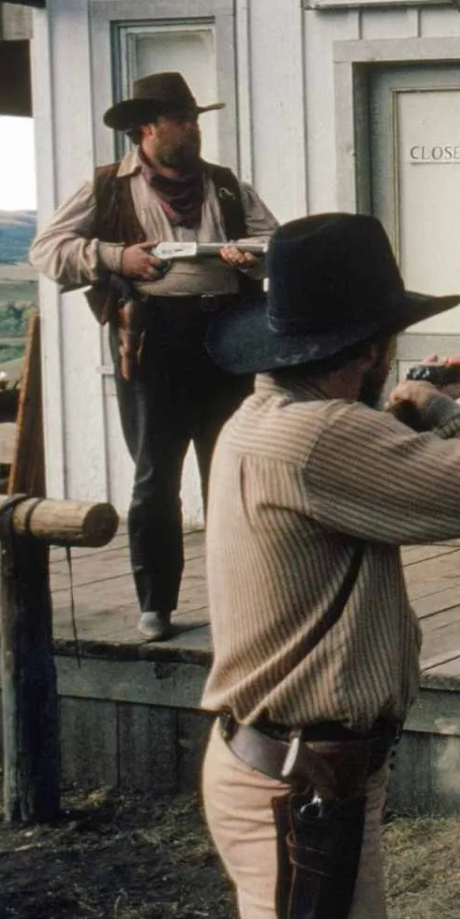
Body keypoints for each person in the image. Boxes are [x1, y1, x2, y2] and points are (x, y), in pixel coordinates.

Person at [198, 212, 460, 919]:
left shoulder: (264, 421)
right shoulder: (321, 438)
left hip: (292, 768)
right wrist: (443, 408)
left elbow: (347, 463)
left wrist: (400, 412)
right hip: (305, 780)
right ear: (367, 350)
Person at [29, 71, 277, 642]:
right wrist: (117, 258)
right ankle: (155, 605)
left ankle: (240, 604)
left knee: (232, 474)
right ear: (146, 128)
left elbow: (276, 244)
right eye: (181, 120)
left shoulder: (226, 186)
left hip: (229, 338)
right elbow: (48, 250)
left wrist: (253, 259)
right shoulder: (106, 187)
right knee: (154, 476)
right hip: (152, 341)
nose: (192, 129)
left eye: (194, 119)